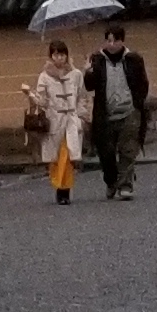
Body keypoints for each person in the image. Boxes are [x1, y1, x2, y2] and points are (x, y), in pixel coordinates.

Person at [86, 20, 152, 201]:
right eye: (108, 40)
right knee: (106, 153)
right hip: (105, 113)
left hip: (129, 111)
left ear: (122, 41)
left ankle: (125, 185)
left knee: (128, 150)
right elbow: (90, 86)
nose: (112, 44)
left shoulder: (134, 60)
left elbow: (143, 84)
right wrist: (88, 71)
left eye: (115, 40)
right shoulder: (97, 60)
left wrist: (137, 103)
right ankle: (111, 181)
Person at [28, 39, 88, 205]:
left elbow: (82, 96)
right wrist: (32, 96)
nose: (59, 58)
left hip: (71, 120)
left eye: (62, 54)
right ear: (51, 56)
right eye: (55, 55)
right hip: (54, 120)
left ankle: (64, 190)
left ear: (67, 55)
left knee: (67, 156)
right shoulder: (44, 76)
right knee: (56, 158)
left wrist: (82, 116)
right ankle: (59, 187)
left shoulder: (76, 74)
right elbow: (42, 100)